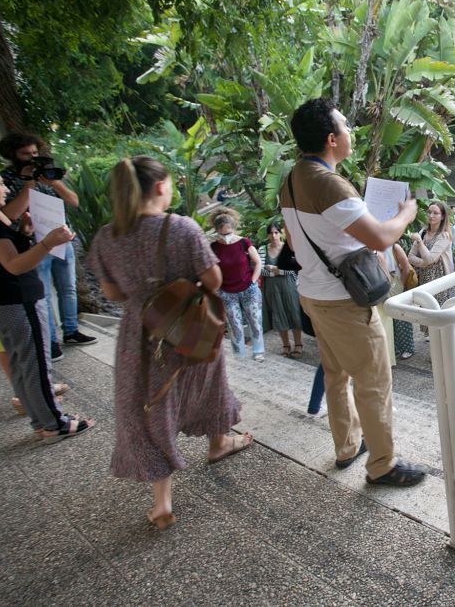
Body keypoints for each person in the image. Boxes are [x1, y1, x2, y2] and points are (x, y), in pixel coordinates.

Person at [87, 157, 251, 529]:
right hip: (188, 327)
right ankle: (218, 442)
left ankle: (162, 503)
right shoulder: (182, 228)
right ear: (161, 186)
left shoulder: (107, 236)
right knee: (207, 384)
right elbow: (213, 280)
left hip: (139, 336)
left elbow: (113, 292)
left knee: (150, 403)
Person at [279, 98, 425, 487]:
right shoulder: (328, 183)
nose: (350, 132)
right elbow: (379, 238)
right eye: (345, 126)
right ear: (331, 139)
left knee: (335, 372)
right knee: (373, 380)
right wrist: (407, 213)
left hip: (313, 295)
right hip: (344, 302)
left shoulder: (292, 179)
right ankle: (383, 465)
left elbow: (293, 245)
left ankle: (348, 446)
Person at [0, 162, 91, 442]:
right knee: (35, 365)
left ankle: (41, 420)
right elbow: (13, 265)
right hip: (15, 302)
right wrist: (47, 242)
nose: (4, 188)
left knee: (22, 364)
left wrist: (23, 234)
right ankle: (55, 424)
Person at [0, 132, 96, 361]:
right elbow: (9, 215)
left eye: (34, 153)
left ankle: (71, 331)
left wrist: (53, 182)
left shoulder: (47, 175)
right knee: (43, 295)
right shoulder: (7, 180)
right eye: (25, 154)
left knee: (68, 288)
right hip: (36, 244)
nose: (31, 158)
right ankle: (50, 341)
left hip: (62, 238)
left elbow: (73, 201)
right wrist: (29, 183)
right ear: (13, 154)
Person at [210, 208, 265, 361]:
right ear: (217, 231)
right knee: (234, 323)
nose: (226, 237)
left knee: (255, 320)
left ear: (233, 229)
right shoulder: (214, 247)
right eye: (222, 234)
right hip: (227, 291)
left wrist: (253, 281)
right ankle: (239, 354)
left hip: (248, 288)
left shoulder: (243, 242)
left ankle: (258, 351)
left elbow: (258, 262)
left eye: (228, 233)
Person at [408, 201, 455, 340]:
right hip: (425, 276)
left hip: (440, 277)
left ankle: (447, 344)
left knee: (440, 312)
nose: (431, 215)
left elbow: (431, 259)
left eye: (435, 213)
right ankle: (434, 342)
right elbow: (410, 257)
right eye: (429, 212)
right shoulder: (423, 232)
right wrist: (424, 264)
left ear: (442, 216)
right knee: (428, 309)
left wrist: (420, 243)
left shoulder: (444, 235)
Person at [259, 222, 303, 358]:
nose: (273, 235)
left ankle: (298, 344)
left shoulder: (288, 248)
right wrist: (277, 271)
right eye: (271, 233)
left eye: (276, 232)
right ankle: (285, 345)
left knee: (294, 313)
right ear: (267, 235)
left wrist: (272, 268)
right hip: (272, 288)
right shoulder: (262, 249)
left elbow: (294, 267)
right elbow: (260, 270)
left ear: (280, 233)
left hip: (289, 286)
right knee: (279, 315)